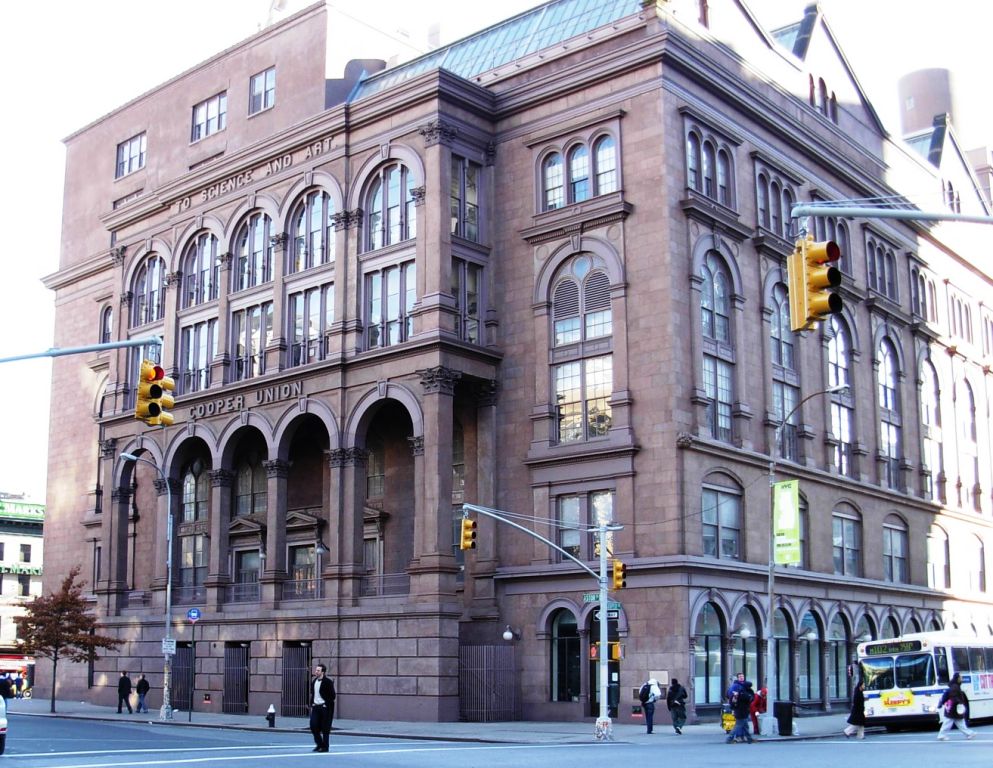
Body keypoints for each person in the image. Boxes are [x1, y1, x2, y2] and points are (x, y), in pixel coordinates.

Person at [937, 672, 975, 740]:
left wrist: (941, 703)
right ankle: (941, 735)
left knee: (958, 722)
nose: (962, 679)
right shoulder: (955, 687)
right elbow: (953, 697)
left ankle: (969, 733)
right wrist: (960, 702)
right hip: (953, 708)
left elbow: (946, 696)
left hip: (953, 708)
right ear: (957, 678)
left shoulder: (955, 686)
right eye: (961, 677)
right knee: (949, 723)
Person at [309, 663, 336, 752]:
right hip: (316, 707)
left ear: (323, 672)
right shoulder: (314, 681)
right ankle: (319, 744)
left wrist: (326, 704)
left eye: (318, 670)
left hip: (325, 707)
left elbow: (333, 696)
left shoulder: (328, 682)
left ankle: (325, 747)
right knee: (313, 726)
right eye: (316, 670)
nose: (316, 672)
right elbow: (313, 694)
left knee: (325, 728)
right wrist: (311, 704)